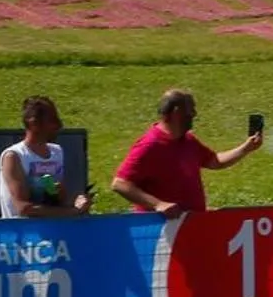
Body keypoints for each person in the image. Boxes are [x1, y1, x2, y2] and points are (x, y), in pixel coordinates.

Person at [0, 96, 94, 297]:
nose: (60, 125)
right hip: (21, 250)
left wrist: (75, 204)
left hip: (54, 248)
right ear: (33, 124)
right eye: (53, 119)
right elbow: (24, 207)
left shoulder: (56, 152)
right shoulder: (13, 157)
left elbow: (56, 196)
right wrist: (69, 213)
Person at [110, 88, 262, 216]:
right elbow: (120, 184)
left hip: (188, 226)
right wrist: (158, 204)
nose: (195, 114)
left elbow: (215, 161)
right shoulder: (150, 145)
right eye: (191, 109)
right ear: (177, 112)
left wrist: (246, 148)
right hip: (162, 233)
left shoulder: (188, 140)